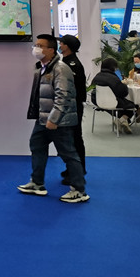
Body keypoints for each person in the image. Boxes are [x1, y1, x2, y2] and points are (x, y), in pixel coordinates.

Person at [18, 33, 89, 203]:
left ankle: (79, 190)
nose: (36, 49)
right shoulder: (42, 67)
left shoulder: (60, 68)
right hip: (43, 118)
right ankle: (37, 183)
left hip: (59, 121)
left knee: (68, 153)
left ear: (51, 50)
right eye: (36, 45)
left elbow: (63, 96)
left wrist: (54, 119)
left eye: (40, 46)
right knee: (36, 146)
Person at [58, 34, 87, 182]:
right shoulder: (66, 61)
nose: (60, 45)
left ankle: (78, 171)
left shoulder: (72, 64)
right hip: (70, 104)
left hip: (73, 105)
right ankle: (73, 168)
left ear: (67, 46)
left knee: (75, 138)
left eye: (62, 43)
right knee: (69, 138)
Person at [92, 57, 140, 132]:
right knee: (133, 104)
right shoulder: (113, 78)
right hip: (111, 102)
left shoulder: (97, 76)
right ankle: (122, 120)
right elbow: (123, 93)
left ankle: (123, 120)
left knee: (125, 104)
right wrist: (123, 84)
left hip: (97, 101)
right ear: (113, 67)